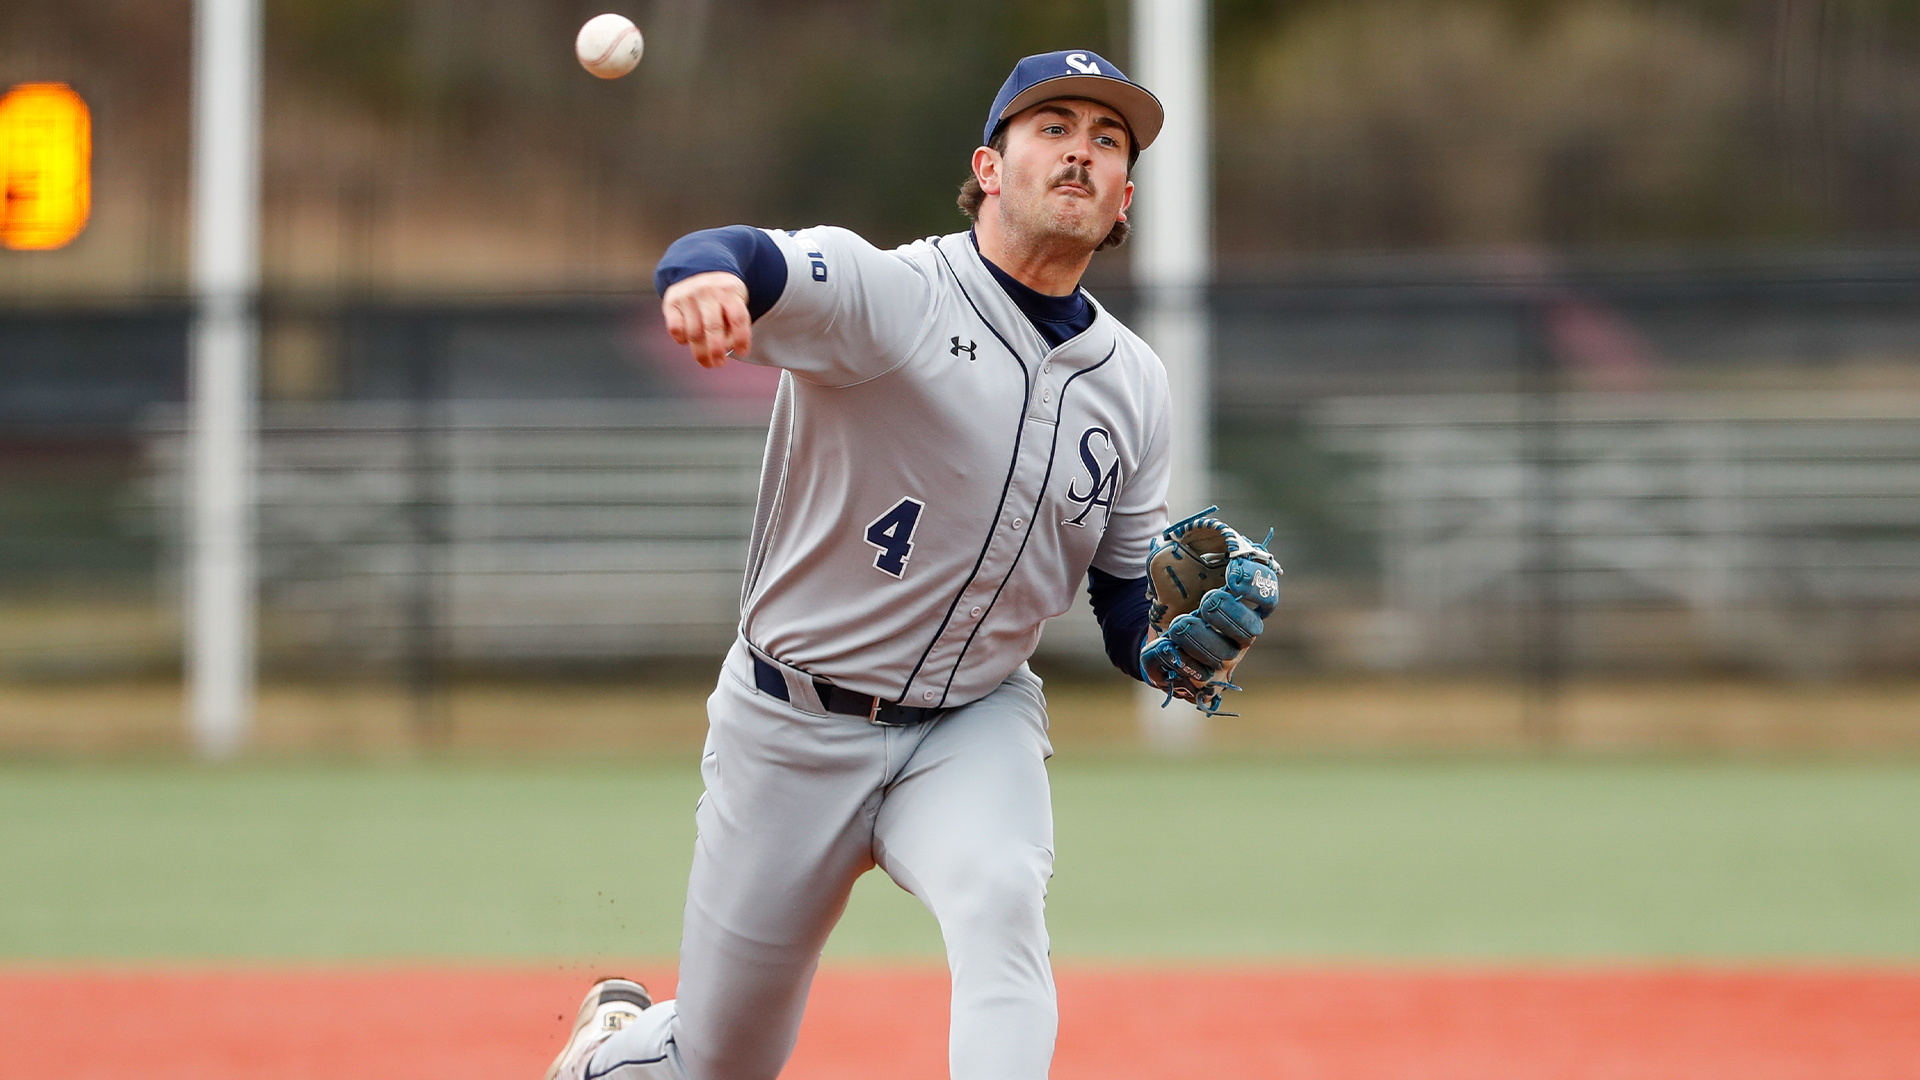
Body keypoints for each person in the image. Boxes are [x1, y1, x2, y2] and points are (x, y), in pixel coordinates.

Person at [545, 49, 1173, 1080]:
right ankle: (613, 1050)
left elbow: (1125, 596)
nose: (1081, 152)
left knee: (1000, 898)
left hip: (974, 720)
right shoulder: (898, 296)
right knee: (722, 1061)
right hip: (792, 725)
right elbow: (745, 253)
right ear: (988, 164)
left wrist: (1171, 650)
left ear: (1122, 202)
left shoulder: (1135, 382)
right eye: (1053, 128)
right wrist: (701, 277)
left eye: (1108, 142)